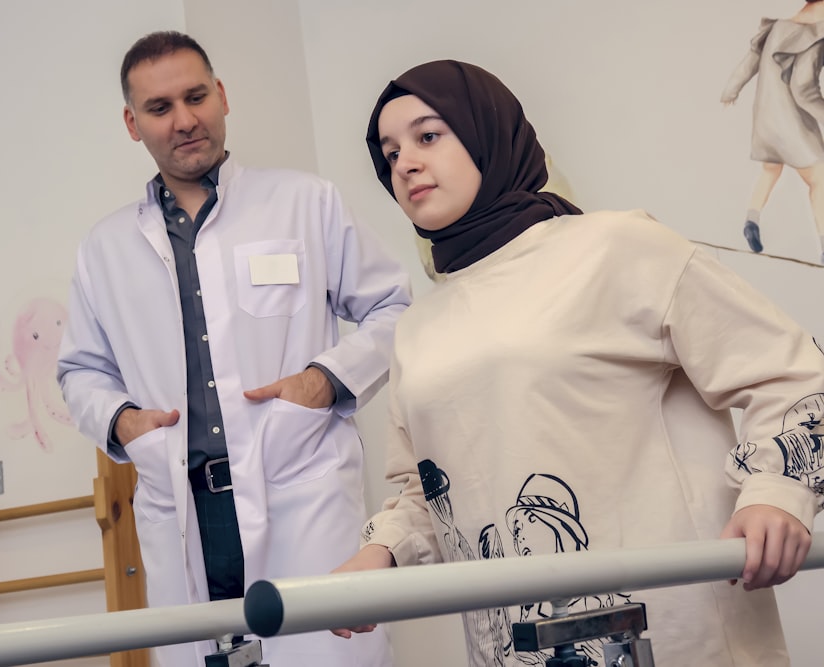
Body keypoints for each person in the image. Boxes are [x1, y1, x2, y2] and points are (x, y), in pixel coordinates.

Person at [335, 59, 824, 666]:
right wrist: (378, 553)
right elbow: (426, 490)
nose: (403, 163)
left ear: (489, 133)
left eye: (428, 135)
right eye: (388, 154)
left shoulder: (616, 247)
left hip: (674, 634)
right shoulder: (417, 330)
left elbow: (793, 371)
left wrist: (776, 492)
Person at [56, 31, 407, 666]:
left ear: (221, 96)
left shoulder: (305, 202)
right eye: (160, 109)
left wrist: (324, 379)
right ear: (133, 124)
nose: (185, 120)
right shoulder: (104, 248)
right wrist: (123, 423)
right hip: (182, 506)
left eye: (196, 98)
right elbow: (81, 368)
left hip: (298, 491)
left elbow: (393, 308)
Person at [722, 0, 824, 264]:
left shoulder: (777, 27)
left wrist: (731, 89)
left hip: (766, 117)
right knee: (819, 179)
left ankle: (751, 219)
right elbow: (804, 88)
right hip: (792, 121)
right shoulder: (816, 35)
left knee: (770, 170)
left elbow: (751, 61)